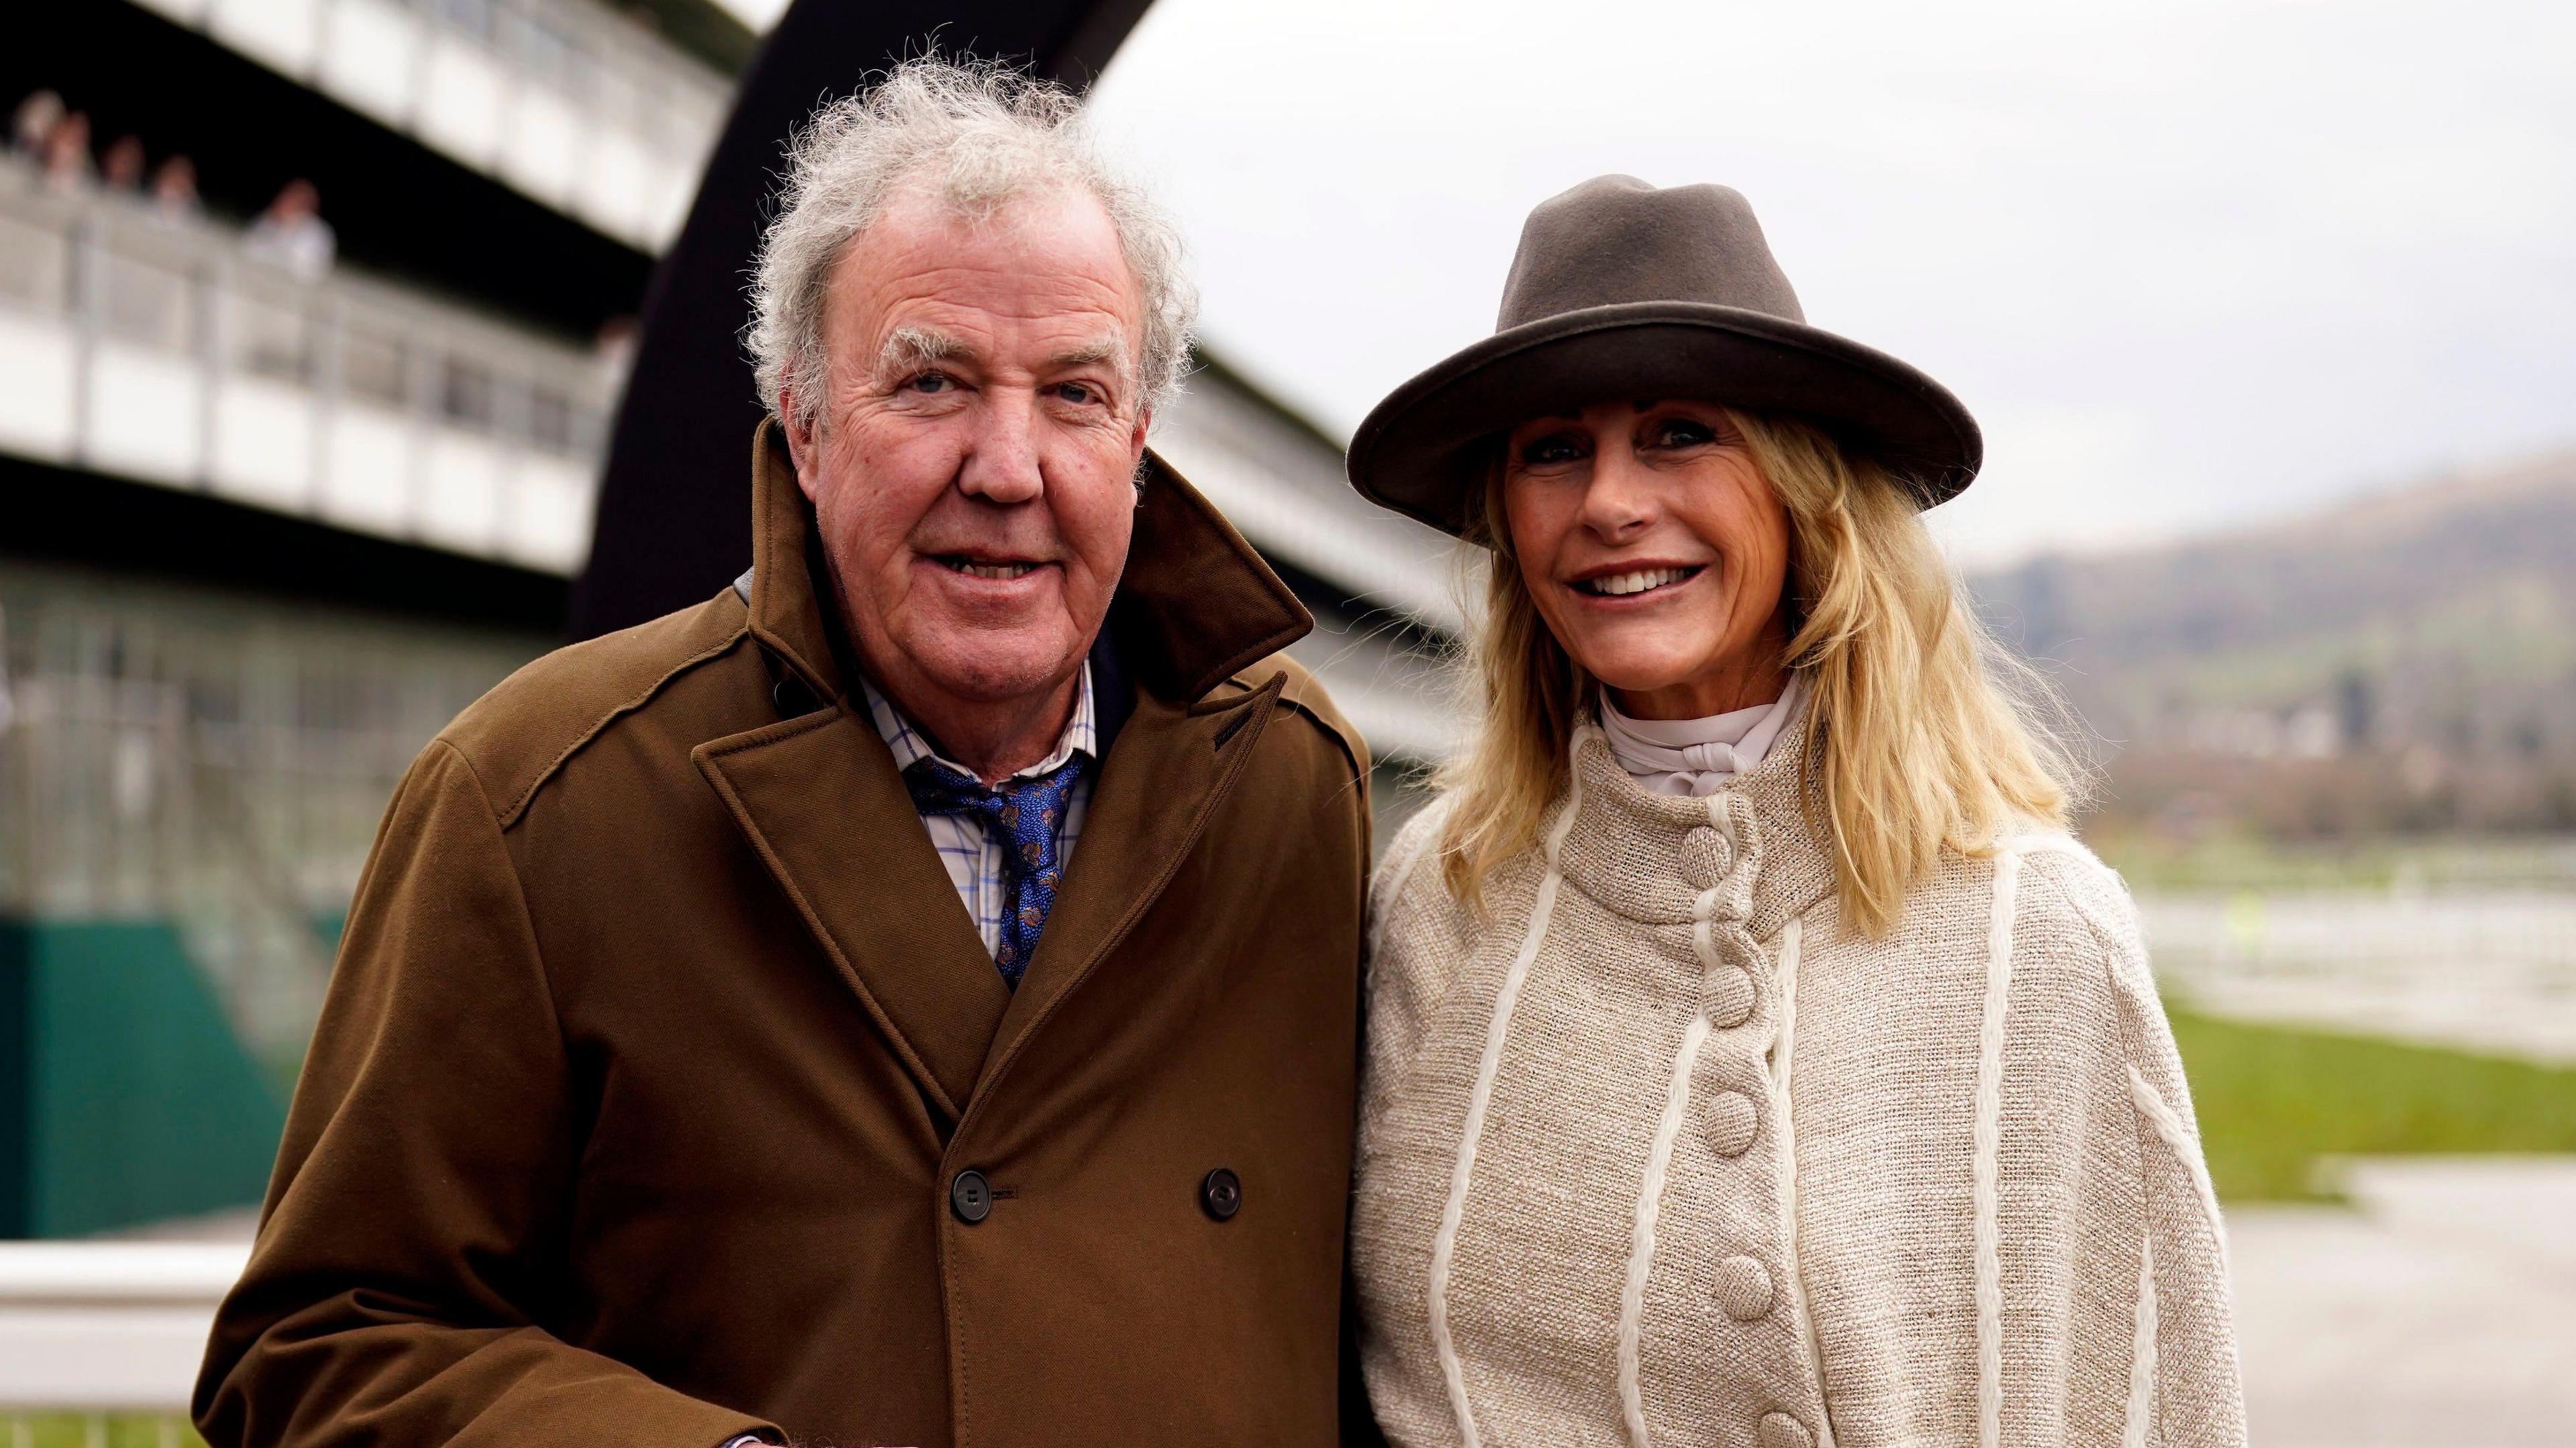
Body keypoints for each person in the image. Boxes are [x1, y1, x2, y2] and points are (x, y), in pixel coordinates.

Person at [196, 60, 1377, 1448]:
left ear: (1137, 439)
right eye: (931, 380)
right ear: (806, 429)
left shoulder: (1294, 781)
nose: (1008, 465)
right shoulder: (534, 800)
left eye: (1072, 393)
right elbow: (322, 1342)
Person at [1344, 176, 2243, 1447]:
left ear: (1802, 488)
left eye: (1676, 432)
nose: (1607, 499)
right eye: (1553, 450)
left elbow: (2155, 1395)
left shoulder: (2034, 929)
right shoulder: (1442, 898)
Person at [243, 178, 334, 278]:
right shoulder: (268, 220)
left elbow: (305, 271)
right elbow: (247, 247)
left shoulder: (316, 234)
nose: (283, 202)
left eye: (294, 200)